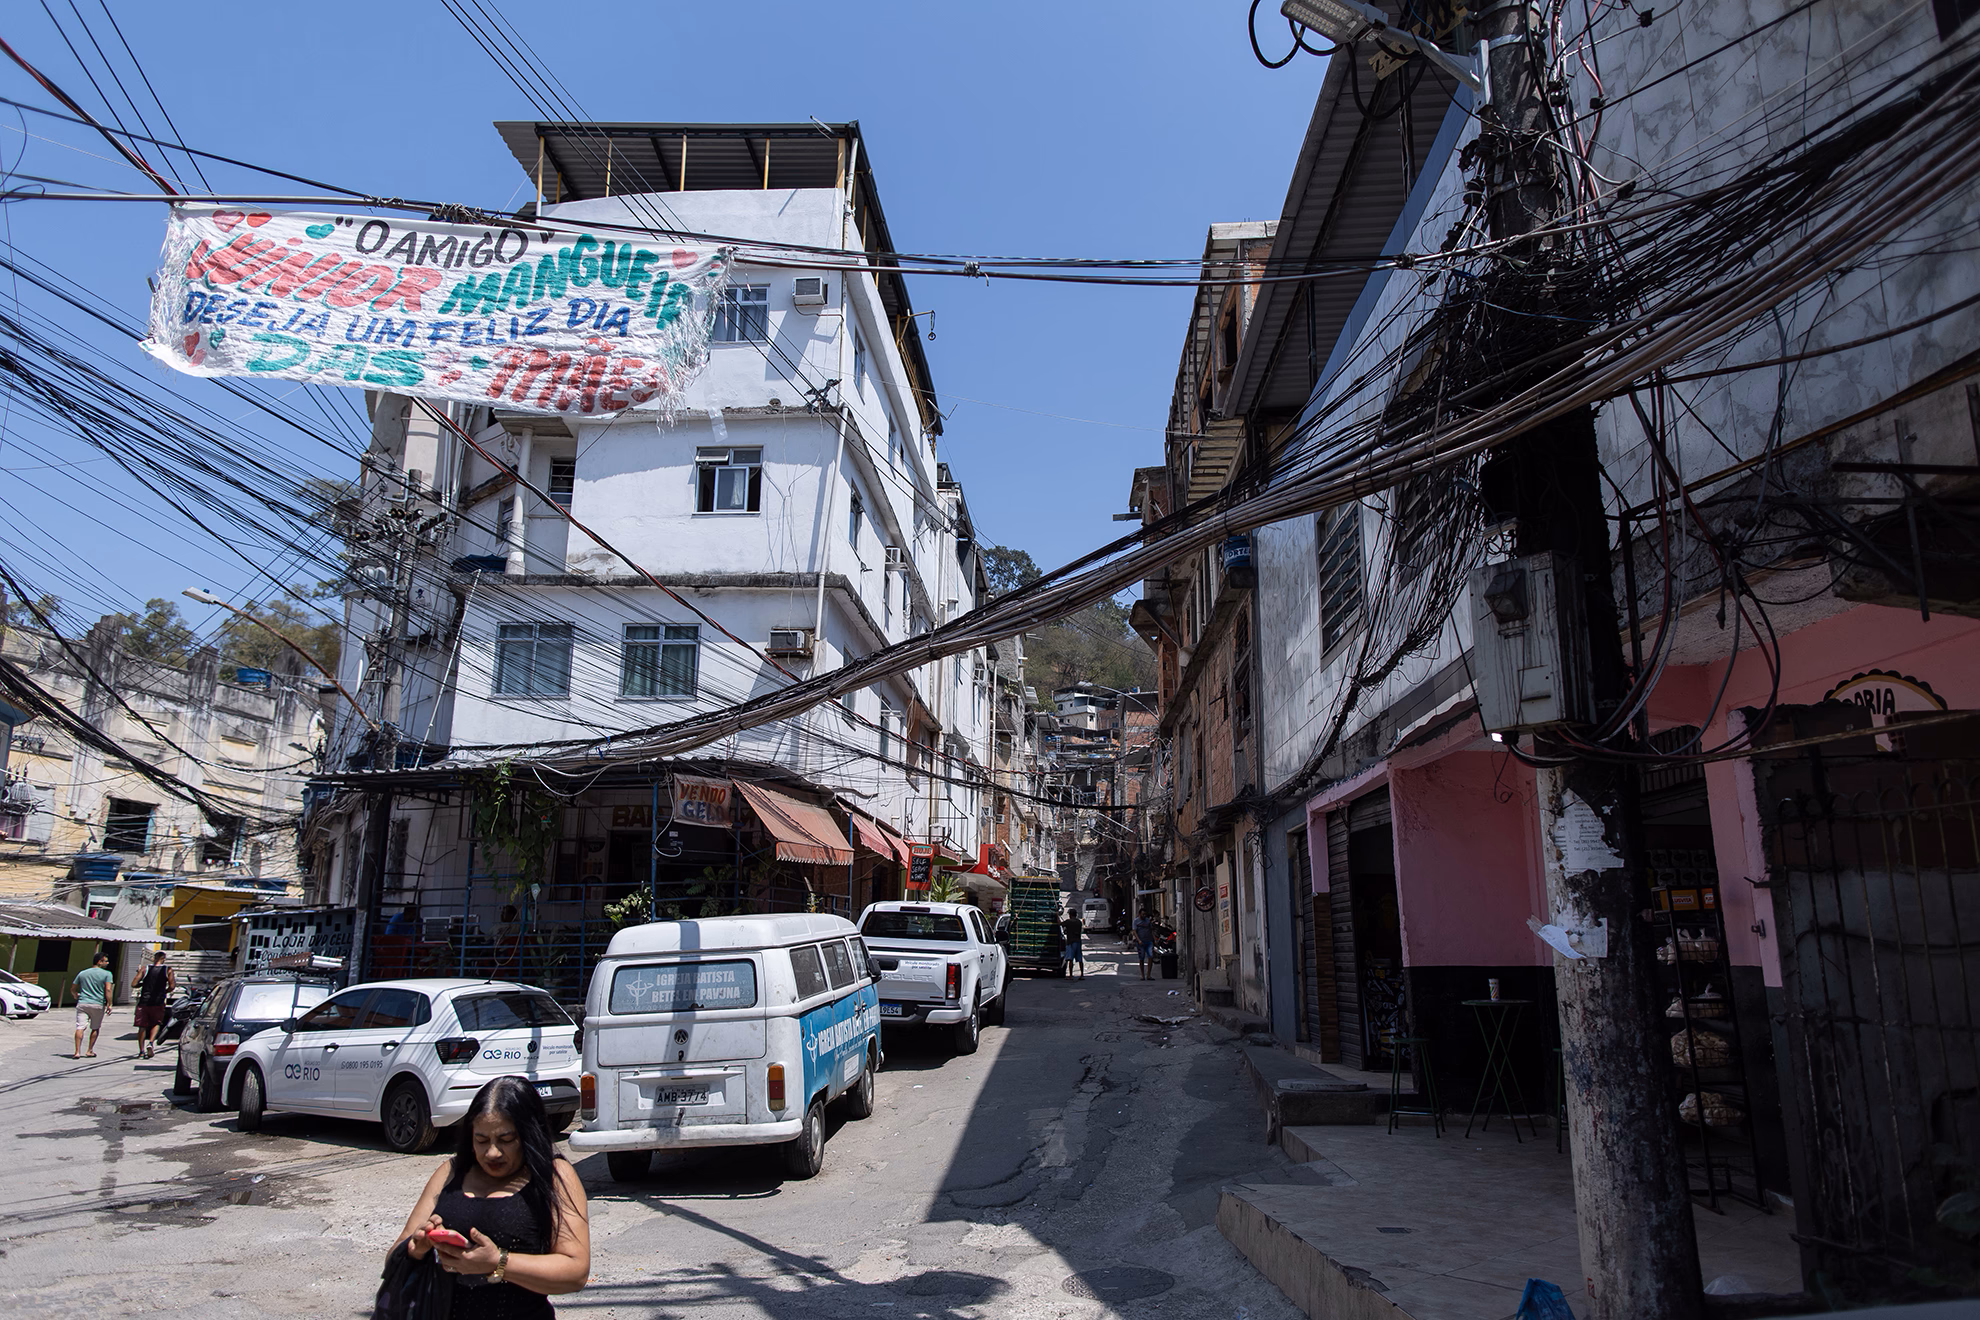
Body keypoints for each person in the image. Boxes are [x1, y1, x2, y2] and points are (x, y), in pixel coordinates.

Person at [394, 1076, 590, 1317]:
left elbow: (575, 1271)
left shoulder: (555, 1176)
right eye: (481, 1140)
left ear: (529, 1135)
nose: (492, 1152)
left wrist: (498, 1262)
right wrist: (416, 1248)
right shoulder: (451, 1172)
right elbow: (397, 1256)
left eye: (506, 1140)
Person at [130, 950, 175, 1059]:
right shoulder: (167, 970)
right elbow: (172, 986)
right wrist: (165, 991)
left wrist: (142, 985)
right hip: (158, 1001)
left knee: (142, 1026)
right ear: (163, 959)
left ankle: (141, 1050)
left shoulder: (145, 969)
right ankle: (150, 1042)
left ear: (153, 958)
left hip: (144, 1001)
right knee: (156, 1023)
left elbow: (133, 983)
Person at [71, 950, 114, 1058]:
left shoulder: (82, 973)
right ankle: (89, 1050)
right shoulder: (107, 974)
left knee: (80, 1027)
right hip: (97, 1004)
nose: (107, 963)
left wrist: (75, 995)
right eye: (106, 961)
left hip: (83, 1003)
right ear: (99, 962)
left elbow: (73, 988)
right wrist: (110, 1004)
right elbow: (108, 990)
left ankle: (77, 1052)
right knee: (95, 1028)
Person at [1060, 909, 1085, 979]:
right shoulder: (1079, 922)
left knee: (1070, 959)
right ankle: (1082, 975)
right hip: (1078, 942)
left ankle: (1071, 975)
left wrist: (1056, 915)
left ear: (1070, 915)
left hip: (1070, 942)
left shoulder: (1068, 922)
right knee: (1080, 959)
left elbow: (1060, 924)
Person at [1133, 909, 1156, 981]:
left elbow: (1151, 930)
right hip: (1141, 942)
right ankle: (1142, 975)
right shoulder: (1136, 921)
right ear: (1139, 914)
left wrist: (1154, 939)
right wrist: (1138, 940)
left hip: (1149, 941)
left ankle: (1148, 975)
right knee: (1141, 958)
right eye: (1142, 914)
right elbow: (1134, 931)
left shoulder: (1148, 921)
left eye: (1145, 914)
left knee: (1150, 957)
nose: (1144, 916)